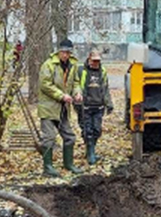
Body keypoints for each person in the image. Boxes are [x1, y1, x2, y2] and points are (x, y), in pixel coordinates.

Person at [37, 38, 82, 176]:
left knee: (69, 137)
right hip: (48, 108)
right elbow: (45, 85)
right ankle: (48, 167)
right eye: (63, 52)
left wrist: (77, 92)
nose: (65, 55)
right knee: (49, 137)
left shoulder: (73, 65)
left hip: (63, 109)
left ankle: (68, 164)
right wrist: (61, 95)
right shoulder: (49, 65)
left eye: (68, 52)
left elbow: (75, 82)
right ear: (58, 51)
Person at [75, 50, 113, 165]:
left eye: (98, 61)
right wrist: (77, 100)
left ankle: (90, 150)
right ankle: (90, 153)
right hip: (85, 106)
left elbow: (105, 89)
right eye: (94, 60)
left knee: (97, 130)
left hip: (99, 105)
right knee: (87, 130)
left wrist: (109, 103)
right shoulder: (82, 71)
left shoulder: (102, 71)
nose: (95, 63)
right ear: (89, 59)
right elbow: (76, 86)